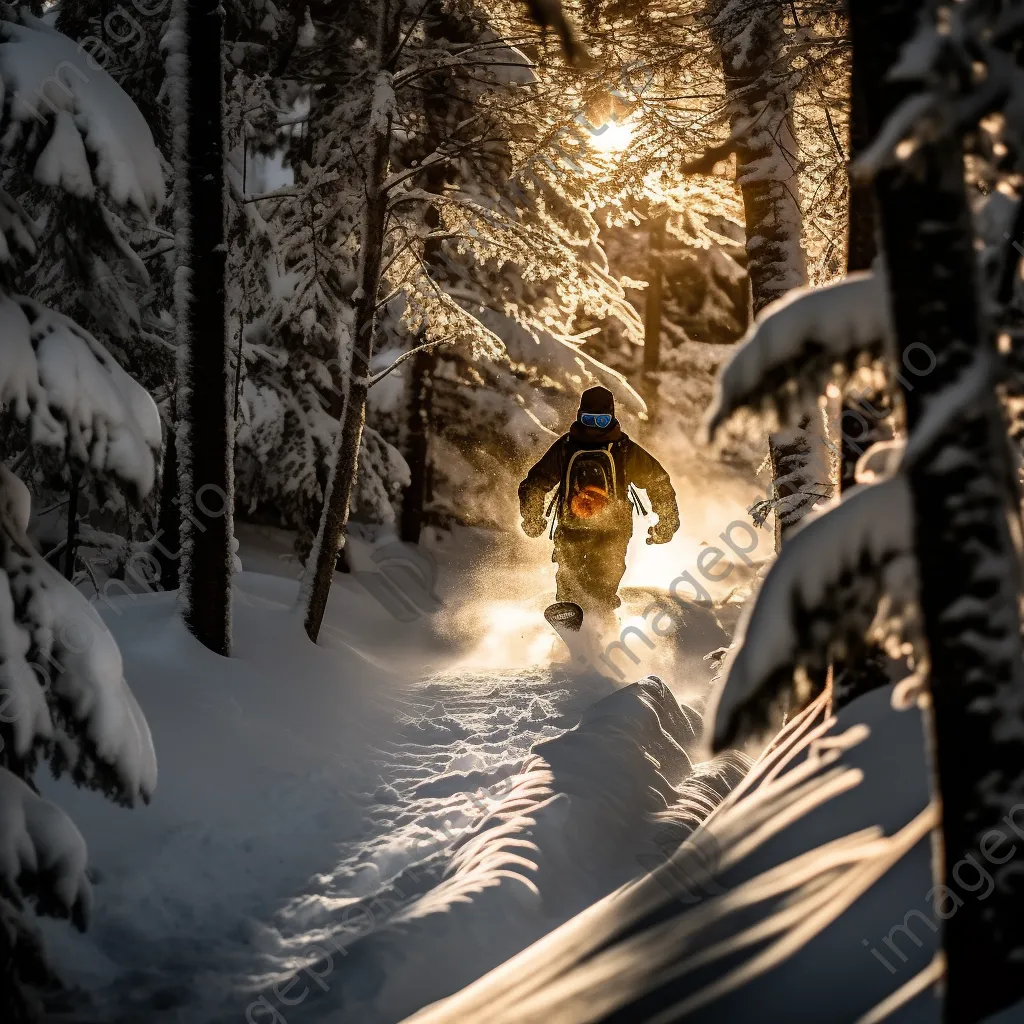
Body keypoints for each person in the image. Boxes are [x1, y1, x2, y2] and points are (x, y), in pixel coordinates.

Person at [518, 385, 680, 626]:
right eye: (588, 419)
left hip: (608, 532)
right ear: (579, 416)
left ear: (612, 418)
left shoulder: (620, 450)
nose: (594, 427)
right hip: (579, 530)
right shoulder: (572, 446)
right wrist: (532, 517)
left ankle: (600, 630)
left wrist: (667, 521)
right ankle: (573, 630)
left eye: (601, 420)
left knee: (601, 585)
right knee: (571, 584)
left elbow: (658, 483)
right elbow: (534, 483)